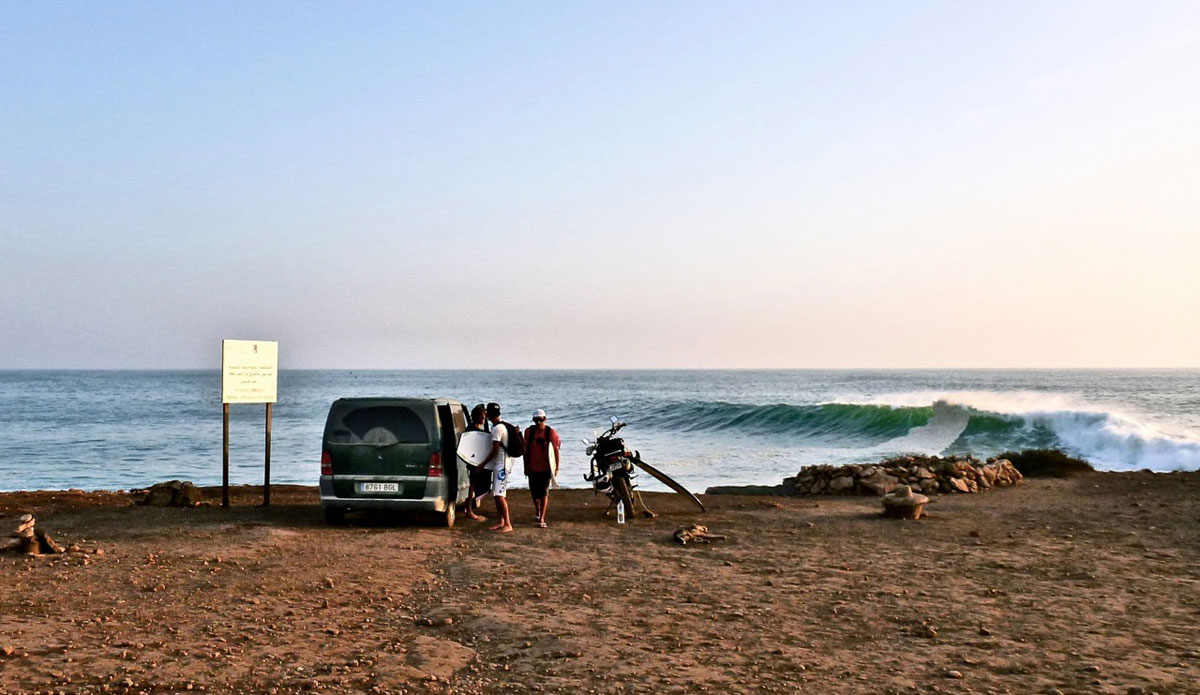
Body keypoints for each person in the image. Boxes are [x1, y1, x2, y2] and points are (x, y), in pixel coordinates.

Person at [523, 409, 560, 528]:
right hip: (533, 467)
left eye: (540, 420)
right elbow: (525, 451)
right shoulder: (529, 432)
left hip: (545, 468)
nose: (538, 422)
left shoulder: (550, 433)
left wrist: (556, 468)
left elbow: (555, 451)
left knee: (544, 492)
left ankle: (542, 517)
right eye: (536, 420)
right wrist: (525, 467)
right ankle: (537, 510)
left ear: (545, 419)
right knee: (534, 493)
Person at [482, 402, 513, 533]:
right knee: (496, 494)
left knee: (500, 495)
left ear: (489, 414)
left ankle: (508, 524)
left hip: (502, 465)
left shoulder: (497, 429)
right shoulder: (500, 427)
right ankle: (501, 521)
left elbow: (494, 451)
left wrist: (482, 464)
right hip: (500, 464)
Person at [463, 403, 491, 522]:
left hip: (478, 462)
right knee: (472, 486)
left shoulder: (479, 428)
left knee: (474, 486)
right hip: (474, 462)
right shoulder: (472, 430)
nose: (484, 418)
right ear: (476, 416)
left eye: (485, 416)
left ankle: (468, 509)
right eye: (482, 416)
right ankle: (469, 511)